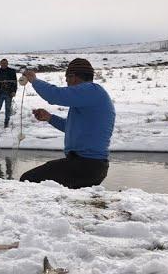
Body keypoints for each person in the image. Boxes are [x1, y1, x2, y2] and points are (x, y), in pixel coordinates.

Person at [19, 58, 115, 189]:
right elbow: (70, 127)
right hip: (88, 166)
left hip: (87, 166)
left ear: (73, 77)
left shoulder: (91, 90)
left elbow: (54, 95)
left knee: (28, 180)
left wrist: (34, 80)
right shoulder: (90, 96)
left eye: (67, 77)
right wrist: (49, 118)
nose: (66, 81)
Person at [0, 58, 17, 129]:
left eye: (5, 63)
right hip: (0, 94)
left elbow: (15, 83)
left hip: (9, 93)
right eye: (2, 63)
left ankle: (6, 123)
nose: (4, 65)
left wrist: (14, 91)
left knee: (8, 109)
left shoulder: (12, 71)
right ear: (0, 64)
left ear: (7, 64)